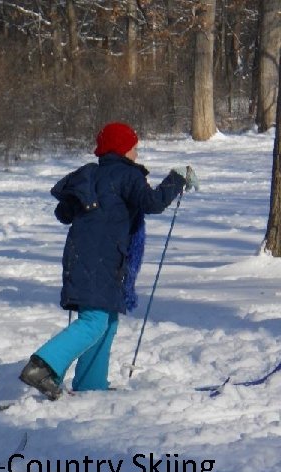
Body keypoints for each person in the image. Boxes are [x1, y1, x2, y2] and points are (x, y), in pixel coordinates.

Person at [19, 122, 198, 400]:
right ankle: (42, 366)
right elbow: (151, 203)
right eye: (134, 148)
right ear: (123, 150)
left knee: (107, 320)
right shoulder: (126, 175)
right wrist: (176, 180)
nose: (137, 154)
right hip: (100, 259)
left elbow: (63, 212)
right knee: (94, 320)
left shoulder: (91, 176)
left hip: (88, 257)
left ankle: (91, 383)